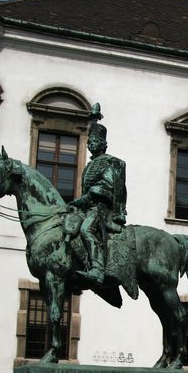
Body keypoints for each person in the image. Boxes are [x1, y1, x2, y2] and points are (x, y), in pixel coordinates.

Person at [69, 103, 127, 285]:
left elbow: (106, 187)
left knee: (86, 229)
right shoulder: (90, 165)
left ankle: (97, 268)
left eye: (93, 141)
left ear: (103, 144)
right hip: (88, 207)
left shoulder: (107, 163)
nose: (90, 144)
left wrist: (81, 200)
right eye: (89, 142)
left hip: (100, 208)